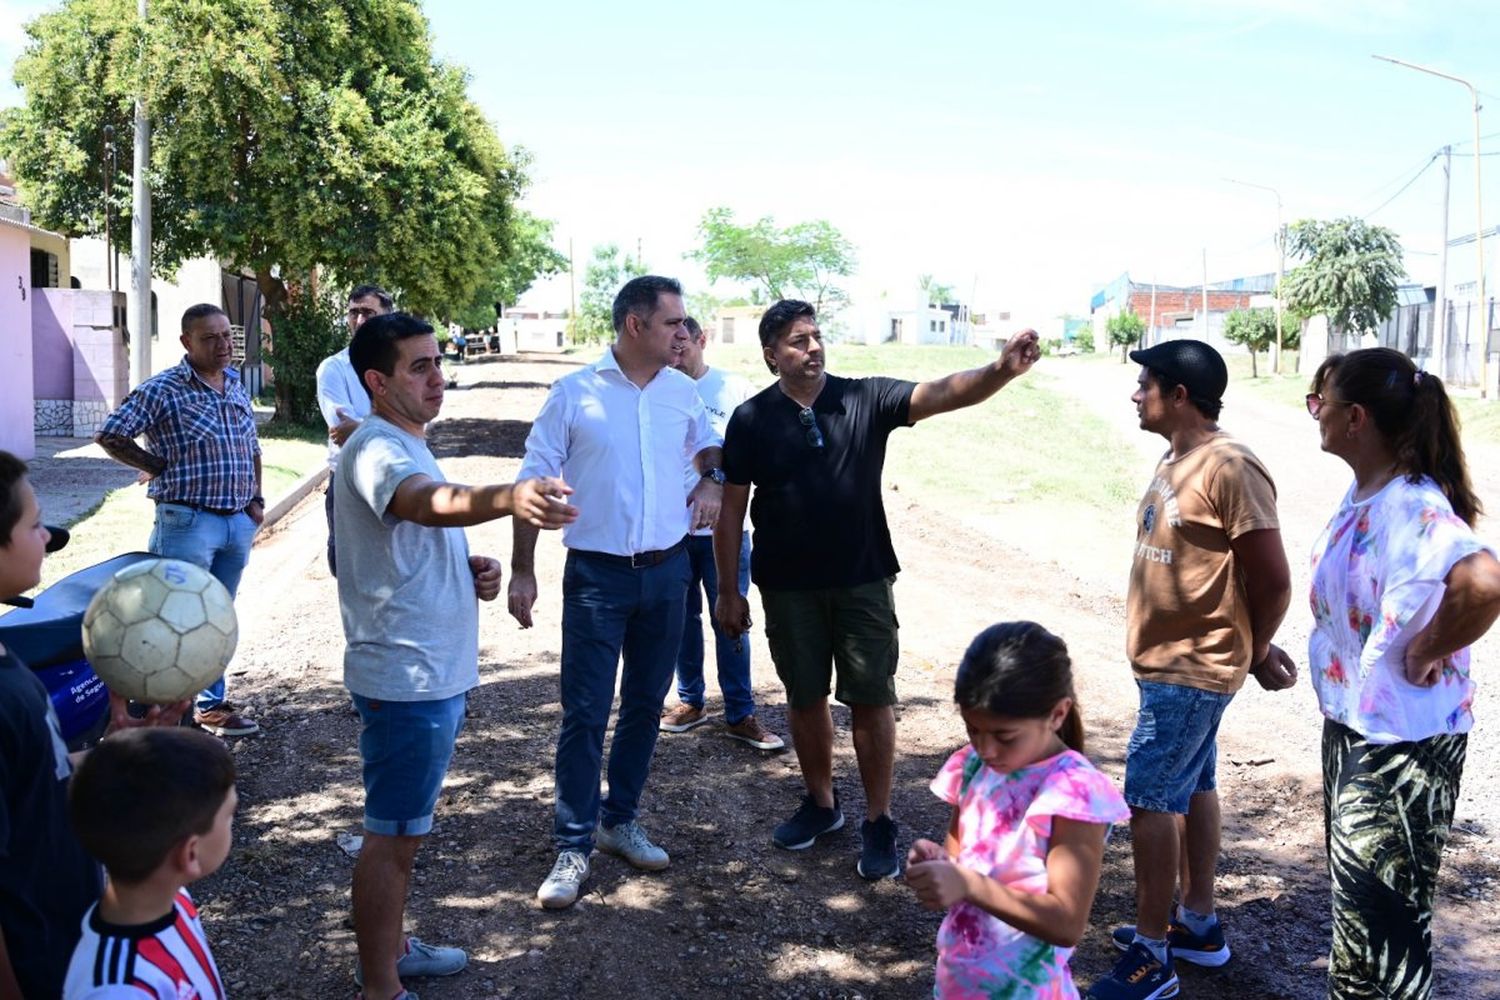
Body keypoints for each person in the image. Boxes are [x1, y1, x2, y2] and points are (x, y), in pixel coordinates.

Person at [714, 299, 1041, 882]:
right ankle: (821, 805)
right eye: (797, 340)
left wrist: (999, 371)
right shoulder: (751, 419)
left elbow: (941, 393)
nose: (812, 347)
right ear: (771, 355)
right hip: (788, 587)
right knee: (804, 696)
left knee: (870, 697)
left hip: (862, 578)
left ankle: (878, 818)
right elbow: (731, 511)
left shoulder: (864, 397)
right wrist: (727, 592)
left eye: (816, 336)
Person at [336, 312, 576, 998]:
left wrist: (462, 566)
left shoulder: (405, 440)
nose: (437, 378)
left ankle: (395, 949)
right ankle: (381, 985)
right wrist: (509, 497)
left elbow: (411, 532)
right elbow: (422, 503)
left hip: (423, 673)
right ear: (378, 382)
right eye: (419, 367)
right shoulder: (381, 448)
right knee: (393, 840)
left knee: (400, 833)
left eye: (439, 362)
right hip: (406, 678)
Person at [1088, 339, 1296, 1000]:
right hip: (1168, 667)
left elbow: (1274, 580)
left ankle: (1153, 957)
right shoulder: (1176, 455)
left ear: (1180, 395)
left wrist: (1255, 651)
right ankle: (1197, 925)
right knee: (1193, 785)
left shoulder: (1230, 466)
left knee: (1150, 800)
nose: (1134, 393)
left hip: (1192, 670)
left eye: (1144, 383)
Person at [509, 275, 724, 910]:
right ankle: (572, 843)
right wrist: (525, 570)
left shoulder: (683, 391)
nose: (683, 333)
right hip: (597, 578)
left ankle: (618, 818)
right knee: (584, 712)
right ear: (636, 325)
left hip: (667, 573)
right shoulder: (574, 395)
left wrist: (712, 477)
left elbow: (705, 445)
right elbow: (532, 480)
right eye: (672, 323)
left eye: (684, 324)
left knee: (644, 704)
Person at [1304, 348, 1500, 1000]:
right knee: (1359, 921)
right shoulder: (1369, 491)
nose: (1314, 411)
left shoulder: (1412, 506)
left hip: (1402, 746)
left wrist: (1426, 650)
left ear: (1355, 416)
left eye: (1321, 401)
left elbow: (1483, 581)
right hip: (1358, 729)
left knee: (1384, 928)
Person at [0, 451, 188, 999]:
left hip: (61, 944)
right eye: (33, 524)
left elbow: (33, 781)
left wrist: (121, 752)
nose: (51, 536)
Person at [907, 622, 1130, 999]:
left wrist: (969, 885)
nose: (986, 748)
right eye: (973, 729)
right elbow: (962, 858)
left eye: (1005, 736)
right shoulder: (973, 766)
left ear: (1057, 714)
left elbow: (1066, 922)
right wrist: (939, 864)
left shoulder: (1073, 793)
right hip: (959, 979)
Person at [96, 303, 264, 737]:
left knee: (216, 618)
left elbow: (252, 446)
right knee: (174, 617)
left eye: (227, 335)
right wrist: (155, 463)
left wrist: (256, 500)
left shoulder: (234, 383)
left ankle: (209, 706)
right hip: (187, 522)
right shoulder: (164, 389)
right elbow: (111, 433)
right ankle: (163, 716)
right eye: (210, 338)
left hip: (236, 521)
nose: (223, 345)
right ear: (186, 342)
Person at [658, 316, 783, 751]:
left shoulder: (734, 390)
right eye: (670, 347)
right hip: (671, 528)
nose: (676, 355)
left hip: (726, 531)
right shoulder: (657, 388)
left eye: (683, 345)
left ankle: (740, 711)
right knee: (681, 619)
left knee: (731, 617)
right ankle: (690, 701)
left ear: (701, 340)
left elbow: (763, 448)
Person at [62, 728, 235, 999]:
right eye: (229, 816)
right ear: (189, 854)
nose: (231, 824)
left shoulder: (172, 898)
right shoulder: (120, 990)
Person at [316, 284, 395, 576]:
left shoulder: (402, 365)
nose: (360, 321)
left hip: (398, 477)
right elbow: (341, 428)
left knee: (399, 564)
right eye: (354, 313)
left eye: (369, 313)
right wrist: (396, 425)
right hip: (350, 480)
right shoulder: (333, 368)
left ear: (387, 316)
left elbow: (419, 423)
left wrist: (363, 426)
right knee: (350, 568)